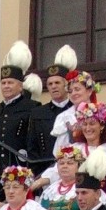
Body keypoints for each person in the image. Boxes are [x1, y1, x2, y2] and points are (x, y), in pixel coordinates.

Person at [0, 41, 39, 199]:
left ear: (20, 86)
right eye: (3, 83)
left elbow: (34, 136)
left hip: (20, 169)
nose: (6, 86)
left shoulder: (32, 106)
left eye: (10, 83)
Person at [50, 69, 106, 153]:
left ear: (89, 91)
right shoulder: (64, 117)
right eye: (70, 91)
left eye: (77, 89)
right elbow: (60, 150)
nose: (73, 93)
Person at [26, 45, 76, 175]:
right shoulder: (38, 112)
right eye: (50, 84)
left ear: (66, 85)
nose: (53, 87)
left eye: (57, 83)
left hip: (71, 170)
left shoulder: (75, 109)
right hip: (45, 170)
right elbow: (32, 147)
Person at [71, 101, 106, 199]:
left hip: (105, 201)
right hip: (79, 200)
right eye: (85, 124)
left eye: (92, 124)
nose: (88, 128)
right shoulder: (75, 149)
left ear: (102, 126)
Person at [32, 145, 84, 210]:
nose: (64, 166)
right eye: (61, 163)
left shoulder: (85, 188)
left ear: (79, 166)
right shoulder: (48, 191)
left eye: (70, 163)